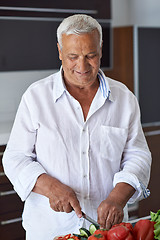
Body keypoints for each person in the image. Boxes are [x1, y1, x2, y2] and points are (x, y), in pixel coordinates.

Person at [2, 14, 151, 240]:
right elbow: (14, 158)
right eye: (73, 56)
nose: (82, 66)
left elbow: (138, 155)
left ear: (100, 49)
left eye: (90, 55)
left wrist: (117, 197)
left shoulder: (124, 98)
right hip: (50, 231)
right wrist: (50, 187)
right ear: (60, 52)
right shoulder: (36, 97)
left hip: (108, 232)